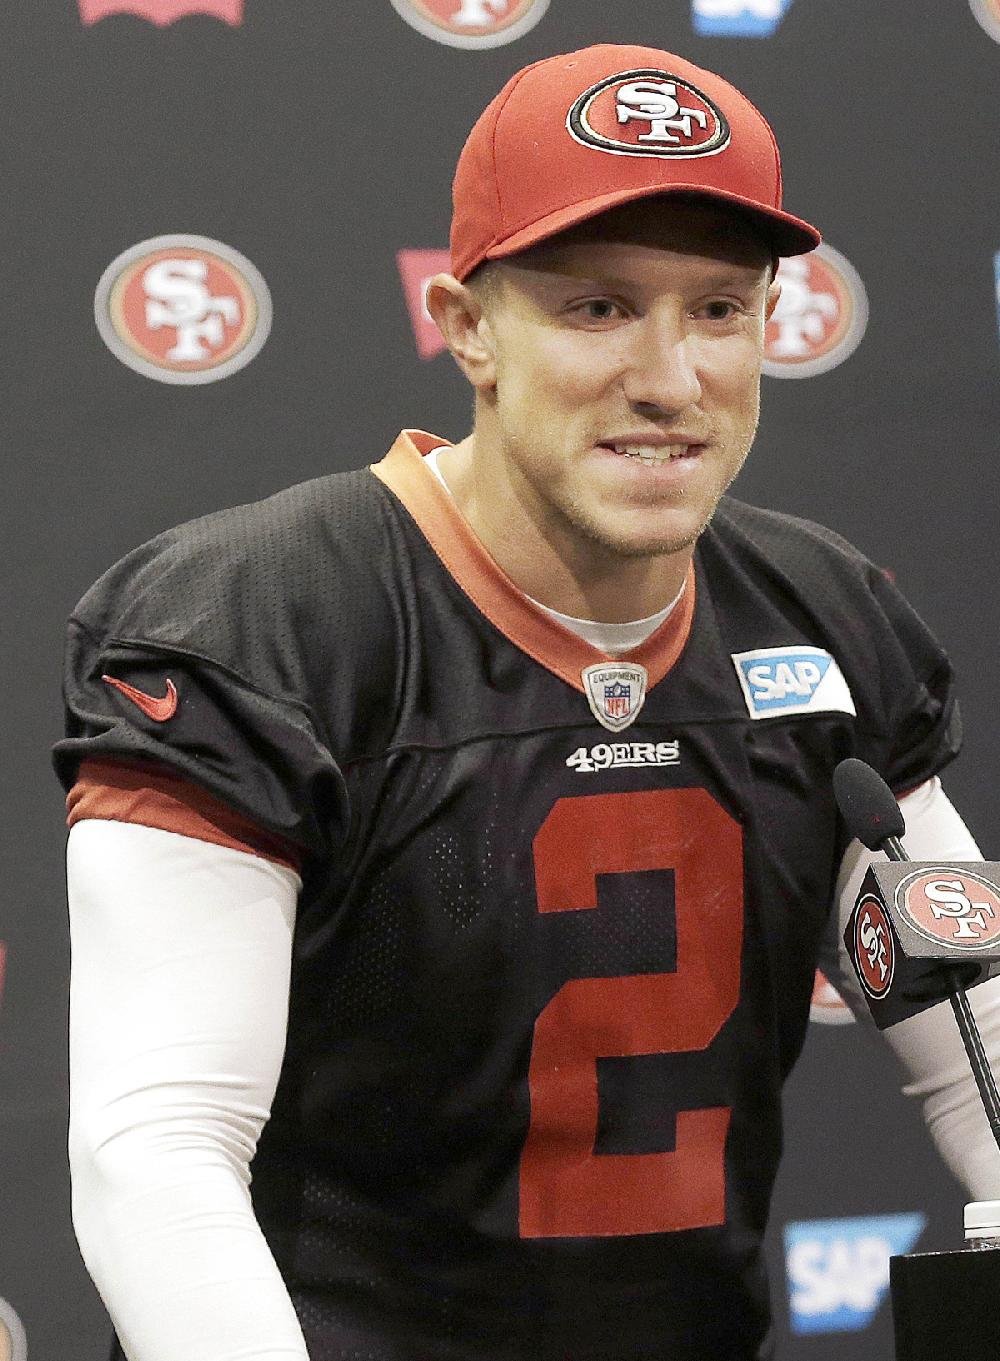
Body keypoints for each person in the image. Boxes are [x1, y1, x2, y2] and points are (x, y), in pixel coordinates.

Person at [55, 43, 1000, 1361]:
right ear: (467, 326)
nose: (671, 376)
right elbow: (158, 1144)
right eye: (598, 307)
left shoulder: (822, 618)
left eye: (720, 310)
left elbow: (979, 1054)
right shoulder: (265, 625)